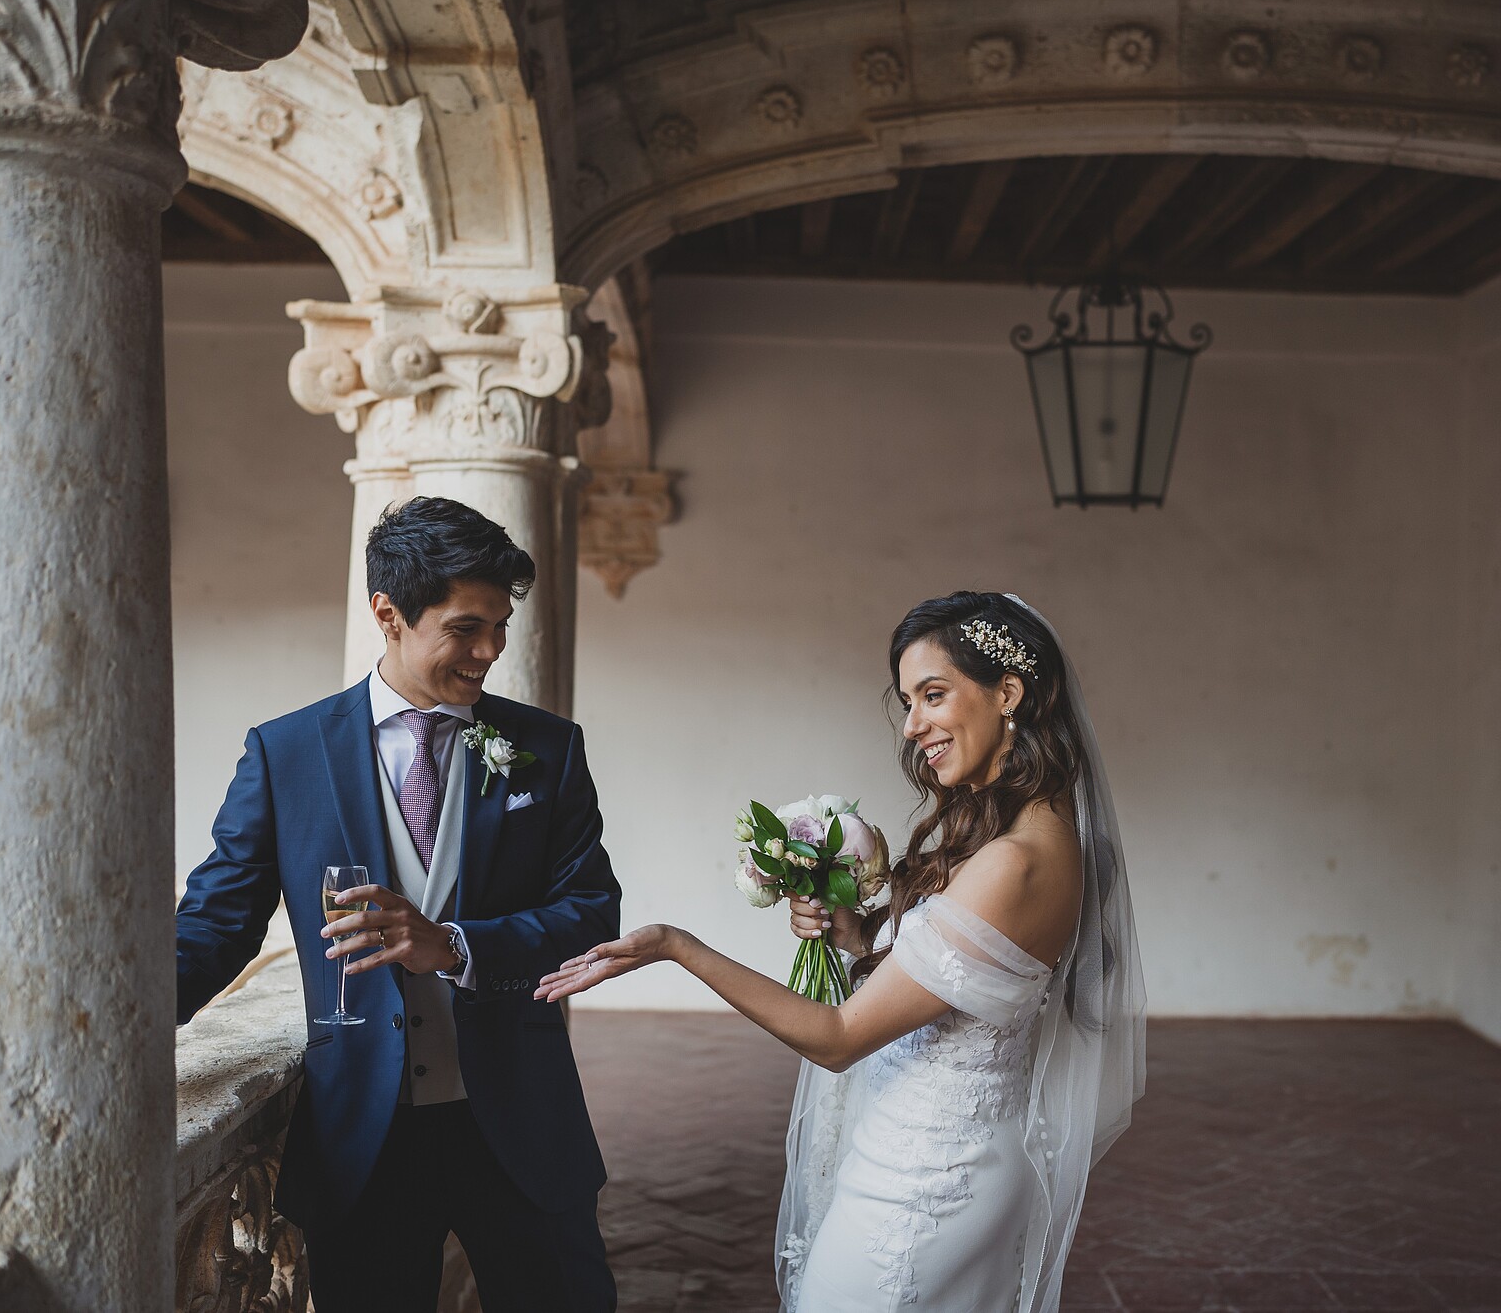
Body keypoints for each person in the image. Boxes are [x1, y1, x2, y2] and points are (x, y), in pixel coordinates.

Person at [536, 590, 1145, 1313]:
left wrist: (678, 946)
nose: (914, 724)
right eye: (908, 700)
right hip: (948, 1152)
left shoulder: (1014, 860)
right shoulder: (1017, 836)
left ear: (1008, 692)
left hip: (928, 1183)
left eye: (933, 695)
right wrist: (858, 933)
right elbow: (954, 979)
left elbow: (839, 1037)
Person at [176, 496, 622, 1312]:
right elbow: (217, 921)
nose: (488, 651)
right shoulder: (286, 753)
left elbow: (592, 912)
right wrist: (123, 1033)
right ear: (388, 613)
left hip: (522, 1122)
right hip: (363, 1138)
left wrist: (453, 943)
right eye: (463, 628)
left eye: (498, 626)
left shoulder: (546, 748)